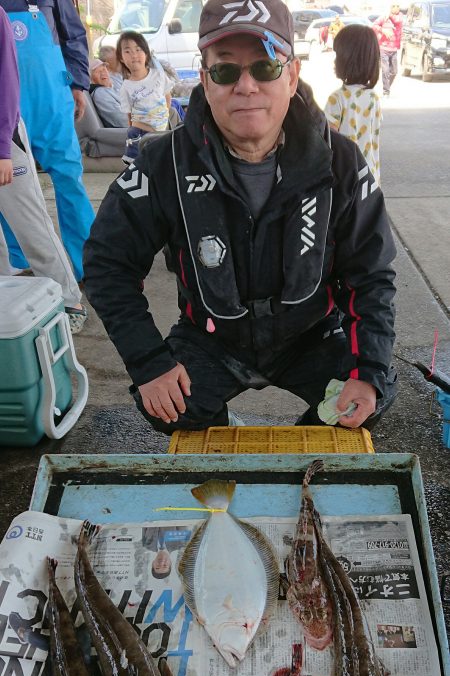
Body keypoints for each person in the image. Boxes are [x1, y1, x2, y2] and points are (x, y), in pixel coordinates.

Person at [83, 0, 397, 434]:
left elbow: (373, 273)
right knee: (169, 408)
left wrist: (368, 370)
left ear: (291, 75)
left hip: (312, 334)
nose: (245, 85)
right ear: (206, 80)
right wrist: (149, 361)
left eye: (265, 68)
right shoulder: (161, 162)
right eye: (226, 71)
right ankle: (220, 438)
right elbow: (108, 264)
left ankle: (305, 448)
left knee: (367, 399)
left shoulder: (341, 161)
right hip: (210, 337)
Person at [0, 6, 87, 333]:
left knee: (38, 210)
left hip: (17, 123)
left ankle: (74, 290)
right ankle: (12, 293)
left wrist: (79, 82)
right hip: (10, 120)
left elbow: (6, 78)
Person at [324, 24, 382, 185]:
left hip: (346, 181)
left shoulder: (338, 98)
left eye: (337, 55)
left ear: (347, 58)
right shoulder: (373, 97)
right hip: (370, 178)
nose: (334, 61)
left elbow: (326, 142)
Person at [116, 30, 174, 163]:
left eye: (138, 49)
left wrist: (162, 119)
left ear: (146, 53)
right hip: (139, 133)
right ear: (121, 58)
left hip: (160, 132)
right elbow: (129, 116)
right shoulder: (126, 87)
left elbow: (167, 97)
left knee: (161, 166)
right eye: (127, 51)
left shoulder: (158, 75)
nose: (134, 55)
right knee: (138, 168)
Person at [373, 4, 403, 96]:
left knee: (394, 71)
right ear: (390, 8)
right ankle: (386, 91)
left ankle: (387, 86)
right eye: (394, 6)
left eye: (398, 6)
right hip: (384, 48)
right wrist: (383, 30)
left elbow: (397, 21)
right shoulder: (383, 17)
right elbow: (374, 25)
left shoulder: (400, 17)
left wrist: (389, 15)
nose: (396, 7)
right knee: (385, 70)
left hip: (394, 49)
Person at [89, 58, 129, 128]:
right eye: (98, 71)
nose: (103, 73)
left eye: (104, 69)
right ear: (90, 78)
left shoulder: (112, 86)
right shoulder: (100, 93)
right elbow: (122, 120)